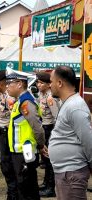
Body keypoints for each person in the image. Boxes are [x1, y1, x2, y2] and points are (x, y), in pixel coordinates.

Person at [49, 66, 92, 200]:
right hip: (66, 172)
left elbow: (88, 140)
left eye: (51, 81)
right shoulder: (68, 103)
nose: (50, 85)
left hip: (72, 173)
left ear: (60, 83)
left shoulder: (75, 107)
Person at [6, 68, 46, 200]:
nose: (7, 87)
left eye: (9, 83)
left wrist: (41, 145)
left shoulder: (26, 102)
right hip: (20, 151)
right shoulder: (20, 100)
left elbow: (37, 127)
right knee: (25, 186)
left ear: (19, 84)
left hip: (25, 151)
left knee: (26, 187)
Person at [0, 70, 18, 200]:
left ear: (0, 83)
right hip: (3, 133)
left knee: (8, 165)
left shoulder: (10, 98)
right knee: (6, 165)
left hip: (7, 134)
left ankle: (13, 194)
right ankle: (11, 192)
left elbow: (14, 118)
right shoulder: (4, 96)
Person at [36, 71, 59, 198]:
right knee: (45, 158)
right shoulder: (42, 95)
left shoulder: (50, 98)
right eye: (38, 82)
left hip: (50, 128)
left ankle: (51, 187)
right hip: (43, 127)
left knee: (50, 159)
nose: (39, 85)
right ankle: (46, 183)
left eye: (41, 83)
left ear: (48, 85)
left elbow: (57, 117)